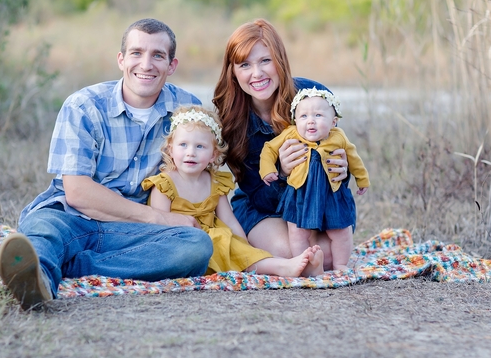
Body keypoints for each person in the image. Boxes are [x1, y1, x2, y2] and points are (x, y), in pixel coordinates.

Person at [0, 18, 213, 310]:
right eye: (136, 53)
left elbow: (207, 167)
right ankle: (37, 281)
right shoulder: (83, 106)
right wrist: (158, 218)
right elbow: (77, 192)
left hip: (131, 233)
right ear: (121, 60)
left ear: (171, 66)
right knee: (44, 231)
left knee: (196, 247)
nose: (146, 64)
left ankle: (73, 266)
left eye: (157, 55)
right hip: (71, 216)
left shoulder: (185, 111)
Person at [212, 18, 350, 270]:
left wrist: (343, 169)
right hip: (262, 207)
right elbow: (259, 197)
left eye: (266, 60)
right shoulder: (232, 119)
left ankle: (317, 262)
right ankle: (300, 263)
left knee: (330, 254)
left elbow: (339, 153)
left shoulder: (312, 95)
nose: (257, 74)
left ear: (280, 60)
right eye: (245, 64)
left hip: (317, 202)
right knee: (291, 252)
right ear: (233, 71)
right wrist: (283, 173)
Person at [142, 105, 325, 277]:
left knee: (238, 251)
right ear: (170, 149)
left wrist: (246, 247)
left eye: (200, 146)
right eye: (183, 145)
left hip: (218, 239)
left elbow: (229, 220)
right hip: (184, 242)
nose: (191, 152)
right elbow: (160, 225)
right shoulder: (164, 184)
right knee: (219, 246)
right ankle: (284, 266)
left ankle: (290, 267)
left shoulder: (215, 182)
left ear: (213, 155)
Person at [260, 88, 370, 270]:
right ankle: (303, 264)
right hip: (300, 193)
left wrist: (362, 179)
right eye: (303, 116)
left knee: (341, 231)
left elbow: (353, 158)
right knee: (297, 232)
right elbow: (269, 149)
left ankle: (341, 265)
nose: (310, 120)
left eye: (318, 115)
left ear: (334, 122)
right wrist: (268, 169)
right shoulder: (291, 133)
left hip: (331, 195)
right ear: (295, 120)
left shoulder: (338, 137)